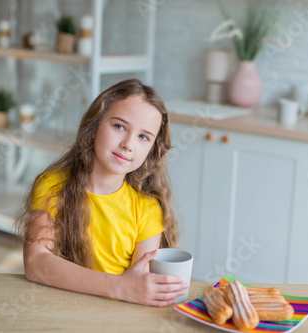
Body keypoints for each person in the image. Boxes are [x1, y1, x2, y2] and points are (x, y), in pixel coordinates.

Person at [15, 78, 187, 307]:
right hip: (62, 307)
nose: (128, 144)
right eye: (119, 126)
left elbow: (140, 287)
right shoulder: (53, 185)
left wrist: (130, 288)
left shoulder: (147, 208)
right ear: (94, 127)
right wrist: (119, 286)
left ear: (152, 150)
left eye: (143, 137)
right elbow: (36, 263)